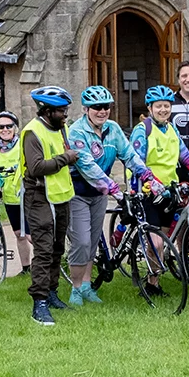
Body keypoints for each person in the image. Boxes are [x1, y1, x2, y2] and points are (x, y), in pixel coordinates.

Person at [66, 86, 160, 306]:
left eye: (106, 107)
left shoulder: (113, 129)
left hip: (99, 195)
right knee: (81, 242)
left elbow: (129, 155)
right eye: (97, 107)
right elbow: (87, 166)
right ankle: (76, 288)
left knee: (91, 242)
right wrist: (115, 189)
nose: (102, 111)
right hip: (78, 193)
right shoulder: (76, 131)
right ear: (86, 109)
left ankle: (87, 285)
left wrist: (148, 177)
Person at [131, 85, 189, 295]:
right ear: (150, 108)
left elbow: (186, 157)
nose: (163, 110)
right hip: (148, 193)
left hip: (169, 191)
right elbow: (136, 163)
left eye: (167, 106)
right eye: (159, 106)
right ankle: (149, 284)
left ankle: (157, 279)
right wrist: (154, 185)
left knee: (165, 239)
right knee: (156, 243)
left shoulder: (171, 129)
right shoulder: (143, 130)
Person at [22, 86, 81, 325]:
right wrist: (66, 159)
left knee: (58, 248)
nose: (65, 115)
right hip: (39, 197)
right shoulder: (32, 133)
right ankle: (39, 302)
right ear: (47, 111)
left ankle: (52, 292)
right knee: (44, 251)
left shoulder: (62, 128)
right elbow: (35, 167)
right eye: (61, 111)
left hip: (61, 195)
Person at [0, 111, 34, 275]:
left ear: (15, 128)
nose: (5, 129)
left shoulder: (22, 144)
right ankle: (26, 268)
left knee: (31, 234)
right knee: (19, 234)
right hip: (9, 198)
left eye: (9, 126)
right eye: (1, 126)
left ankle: (49, 264)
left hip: (27, 196)